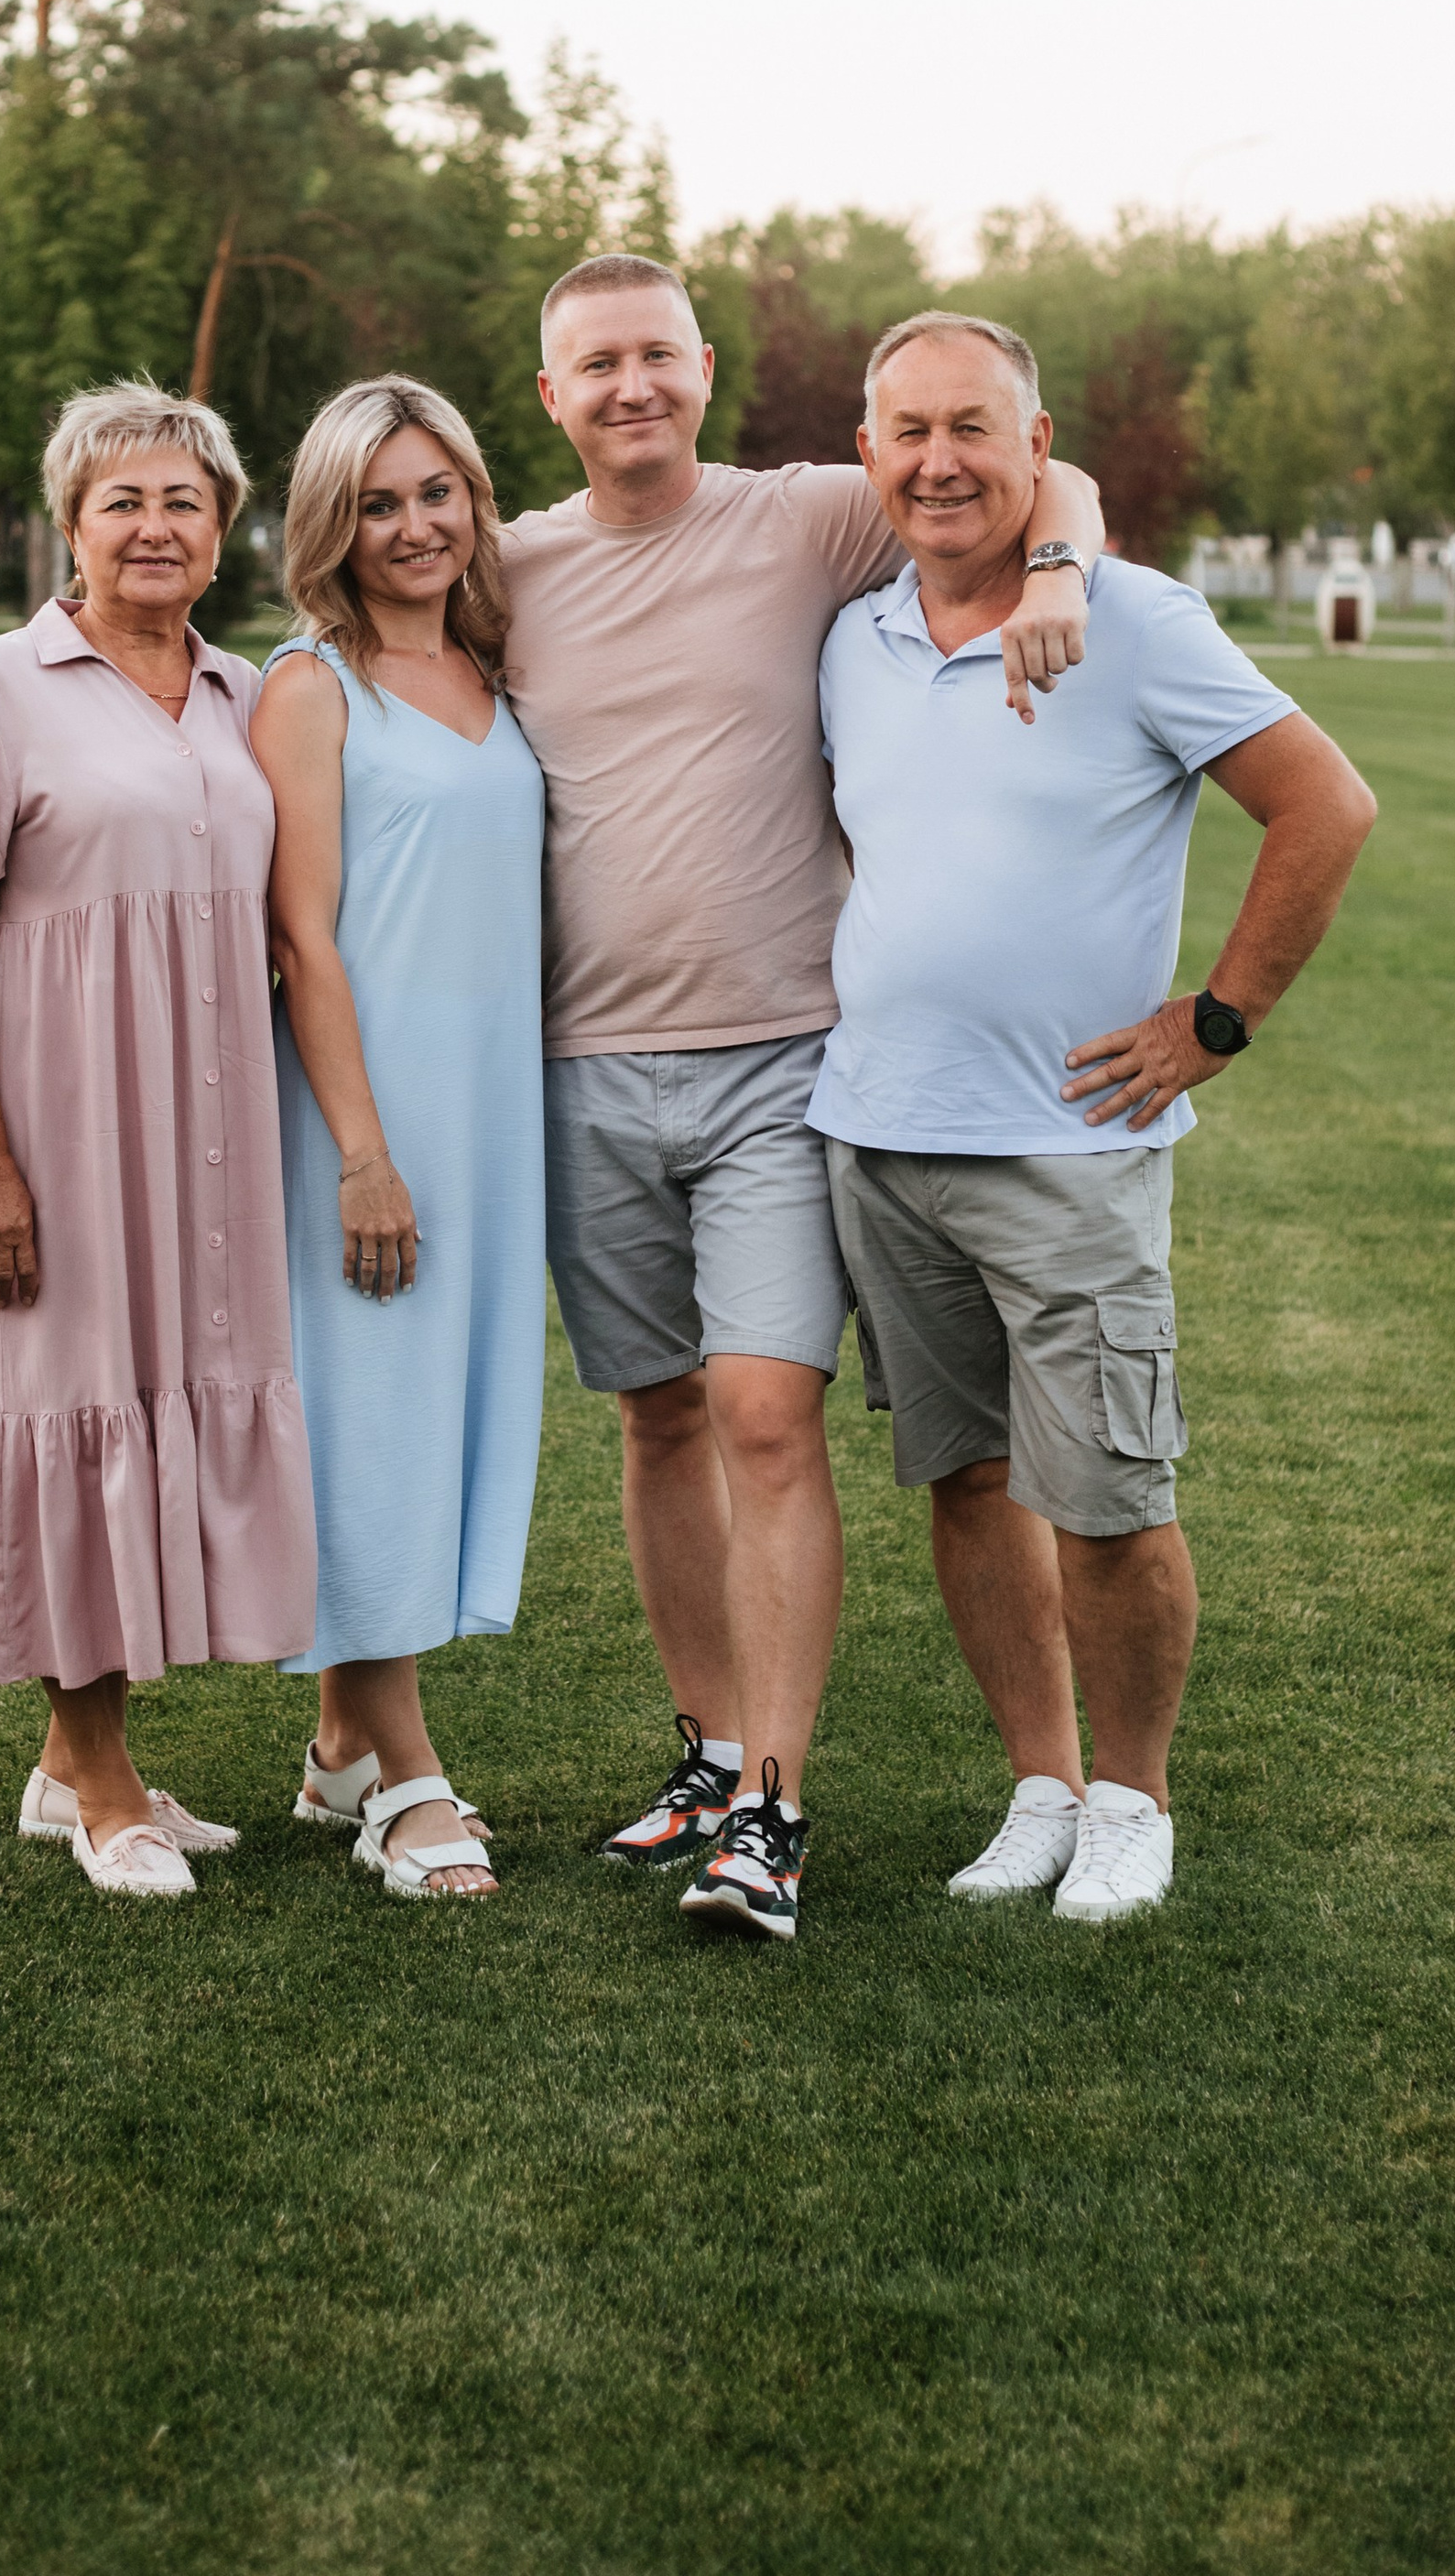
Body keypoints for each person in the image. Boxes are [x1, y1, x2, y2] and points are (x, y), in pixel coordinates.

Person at [500, 253, 1105, 1943]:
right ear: (550, 396)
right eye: (593, 364)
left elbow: (1022, 461)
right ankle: (700, 1755)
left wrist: (1059, 564)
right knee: (655, 1416)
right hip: (580, 1068)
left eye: (656, 356)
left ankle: (771, 1804)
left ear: (708, 371)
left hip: (783, 1061)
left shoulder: (806, 518)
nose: (630, 386)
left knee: (764, 1413)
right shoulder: (507, 569)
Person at [811, 311, 1377, 1924]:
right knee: (968, 1484)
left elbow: (1326, 803)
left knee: (1114, 1502)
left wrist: (1218, 1020)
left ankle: (1134, 1801)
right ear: (868, 454)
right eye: (908, 430)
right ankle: (1044, 1786)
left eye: (974, 428)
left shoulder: (1131, 619)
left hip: (1072, 1148)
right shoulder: (851, 640)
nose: (940, 461)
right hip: (879, 1139)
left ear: (1039, 447)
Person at [0, 379, 316, 1900]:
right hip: (46, 1130)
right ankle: (106, 1775)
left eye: (184, 501)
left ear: (223, 528)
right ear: (70, 523)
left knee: (150, 1400)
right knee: (65, 1406)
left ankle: (71, 1772)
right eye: (122, 500)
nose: (154, 526)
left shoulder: (250, 694)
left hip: (196, 1134)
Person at [251, 380, 547, 1901]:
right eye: (378, 502)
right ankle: (406, 1777)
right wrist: (363, 1149)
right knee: (373, 1411)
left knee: (428, 1405)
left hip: (493, 1108)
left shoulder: (496, 669)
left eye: (435, 492)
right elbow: (301, 935)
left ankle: (336, 1752)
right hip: (367, 1113)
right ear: (331, 525)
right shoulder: (313, 688)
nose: (414, 524)